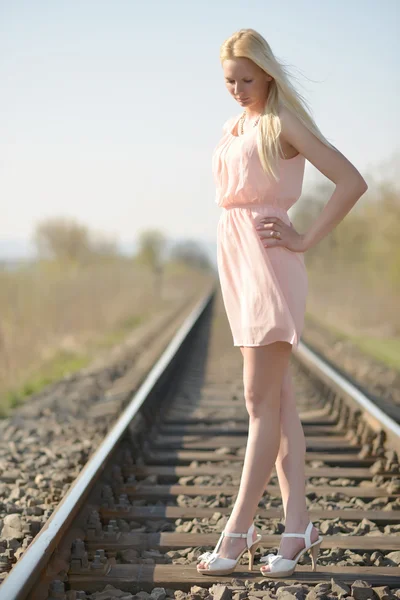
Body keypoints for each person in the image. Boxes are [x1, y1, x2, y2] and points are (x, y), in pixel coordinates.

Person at [196, 28, 368, 577]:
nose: (239, 88)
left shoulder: (282, 123)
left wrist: (303, 238)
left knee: (256, 400)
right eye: (230, 80)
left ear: (267, 73)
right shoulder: (234, 125)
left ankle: (238, 530)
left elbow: (350, 180)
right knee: (279, 402)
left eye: (248, 78)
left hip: (271, 263)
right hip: (239, 262)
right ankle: (297, 529)